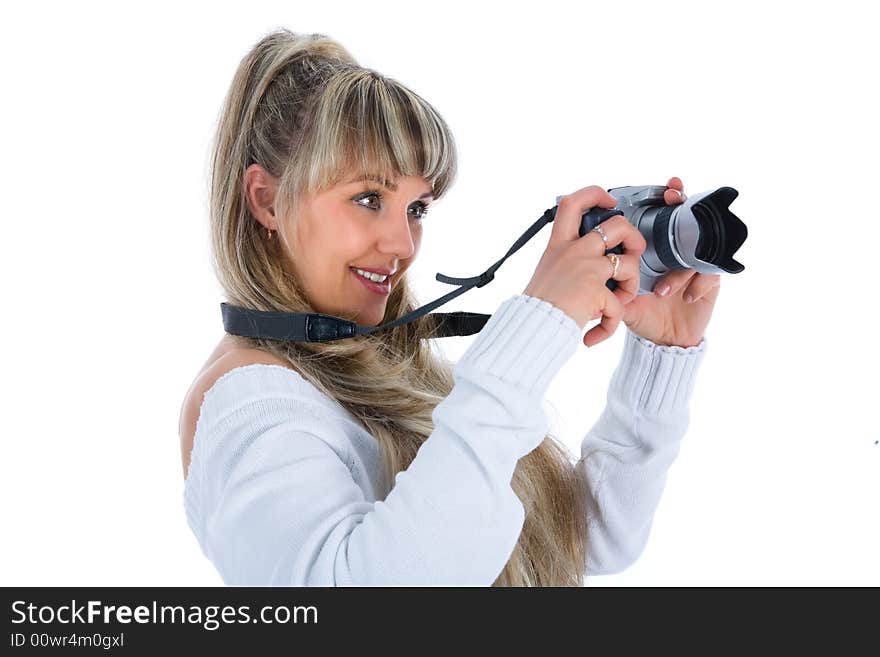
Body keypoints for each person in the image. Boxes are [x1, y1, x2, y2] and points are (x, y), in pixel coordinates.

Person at [179, 28, 719, 586]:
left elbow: (580, 542)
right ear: (266, 200)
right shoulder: (249, 401)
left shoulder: (359, 369)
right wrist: (536, 327)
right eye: (369, 199)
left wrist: (661, 355)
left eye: (416, 208)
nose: (402, 245)